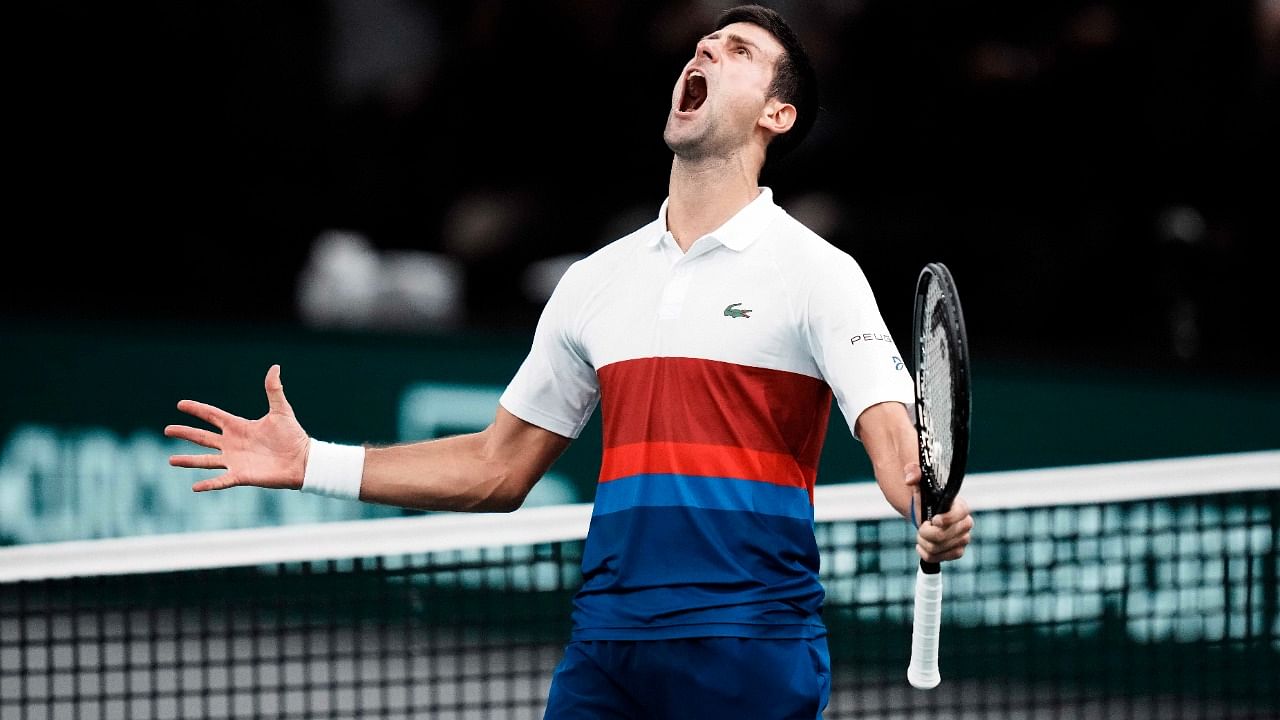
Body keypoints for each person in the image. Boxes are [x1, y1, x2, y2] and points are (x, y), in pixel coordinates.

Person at [166, 5, 974, 718]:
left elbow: (890, 431)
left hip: (747, 650)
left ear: (778, 113)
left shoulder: (818, 273)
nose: (704, 50)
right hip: (606, 652)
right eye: (703, 42)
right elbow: (496, 466)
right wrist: (314, 463)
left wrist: (923, 506)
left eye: (737, 49)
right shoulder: (596, 281)